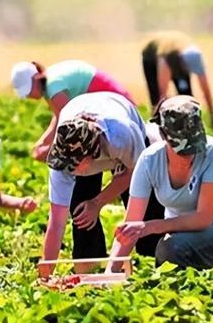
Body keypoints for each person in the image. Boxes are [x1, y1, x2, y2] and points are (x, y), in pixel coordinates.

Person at [107, 96, 213, 273]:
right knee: (170, 247)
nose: (189, 154)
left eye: (193, 146)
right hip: (181, 235)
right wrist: (111, 271)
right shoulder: (149, 160)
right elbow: (131, 225)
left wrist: (150, 226)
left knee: (170, 248)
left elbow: (203, 219)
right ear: (164, 136)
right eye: (181, 148)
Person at [40, 91, 165, 277]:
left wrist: (97, 202)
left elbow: (136, 174)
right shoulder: (62, 160)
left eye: (73, 164)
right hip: (82, 117)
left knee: (147, 211)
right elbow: (56, 223)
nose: (68, 169)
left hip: (126, 139)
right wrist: (46, 275)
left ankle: (157, 267)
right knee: (81, 213)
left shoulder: (121, 136)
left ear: (90, 156)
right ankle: (89, 271)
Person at [10, 59, 135, 162]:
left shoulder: (53, 88)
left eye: (28, 90)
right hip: (107, 105)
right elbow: (59, 116)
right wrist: (43, 141)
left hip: (115, 105)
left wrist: (50, 151)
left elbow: (70, 125)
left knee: (88, 152)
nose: (28, 96)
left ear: (37, 78)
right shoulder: (50, 83)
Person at [141, 31, 213, 129]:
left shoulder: (195, 57)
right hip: (151, 58)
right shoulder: (166, 57)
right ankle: (156, 128)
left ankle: (190, 128)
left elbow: (205, 90)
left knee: (186, 98)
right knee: (156, 98)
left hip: (178, 59)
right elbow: (162, 93)